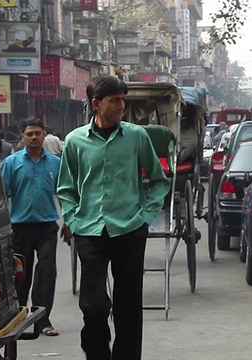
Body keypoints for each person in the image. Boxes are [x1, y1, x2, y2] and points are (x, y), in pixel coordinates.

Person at [57, 75, 170, 360]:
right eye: (114, 100)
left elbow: (159, 180)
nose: (121, 105)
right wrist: (71, 218)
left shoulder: (136, 136)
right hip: (89, 230)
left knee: (128, 305)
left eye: (123, 99)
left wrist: (145, 216)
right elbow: (66, 188)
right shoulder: (74, 141)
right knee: (93, 305)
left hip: (130, 230)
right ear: (97, 104)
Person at [0, 118, 63, 337]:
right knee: (20, 275)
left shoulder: (55, 163)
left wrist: (70, 223)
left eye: (38, 133)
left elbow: (64, 194)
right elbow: (0, 195)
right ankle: (18, 317)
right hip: (20, 228)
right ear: (23, 137)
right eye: (30, 134)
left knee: (46, 272)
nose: (34, 137)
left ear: (44, 135)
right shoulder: (12, 163)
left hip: (47, 227)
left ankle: (43, 320)